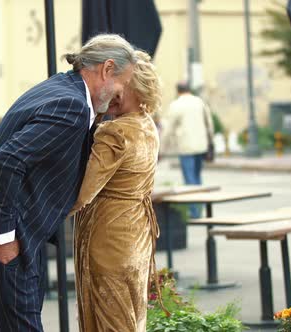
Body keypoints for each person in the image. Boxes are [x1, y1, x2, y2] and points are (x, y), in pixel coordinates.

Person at [0, 34, 136, 331]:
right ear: (107, 69)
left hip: (17, 229)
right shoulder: (72, 106)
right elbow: (8, 161)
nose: (121, 94)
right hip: (4, 232)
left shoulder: (64, 89)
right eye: (122, 83)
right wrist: (3, 237)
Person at [70, 50, 163, 332]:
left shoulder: (115, 133)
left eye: (119, 85)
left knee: (108, 319)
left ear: (136, 87)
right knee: (132, 319)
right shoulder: (147, 124)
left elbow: (83, 194)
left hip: (108, 238)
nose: (111, 91)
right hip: (138, 234)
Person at [160, 82, 213, 218]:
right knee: (197, 178)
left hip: (186, 146)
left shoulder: (176, 105)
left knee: (189, 180)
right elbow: (209, 123)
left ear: (178, 91)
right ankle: (199, 207)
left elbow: (168, 129)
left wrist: (161, 149)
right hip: (201, 146)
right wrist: (210, 142)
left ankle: (194, 211)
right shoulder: (199, 102)